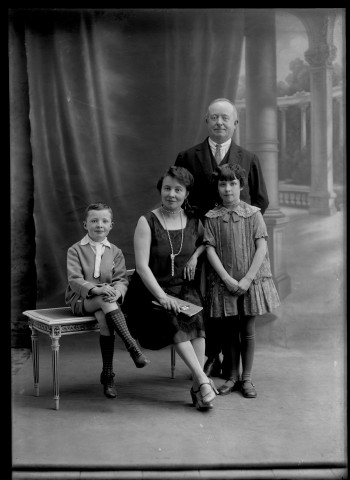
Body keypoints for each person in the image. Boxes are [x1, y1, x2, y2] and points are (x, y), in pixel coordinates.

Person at [175, 97, 270, 378]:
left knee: (235, 308)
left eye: (225, 118)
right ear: (206, 121)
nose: (219, 122)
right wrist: (203, 232)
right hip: (199, 243)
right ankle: (211, 356)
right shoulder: (188, 157)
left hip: (238, 247)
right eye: (214, 117)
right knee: (207, 299)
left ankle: (233, 369)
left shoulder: (249, 159)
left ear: (235, 123)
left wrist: (238, 227)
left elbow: (260, 201)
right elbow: (180, 198)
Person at [123, 166, 218, 411]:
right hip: (148, 292)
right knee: (174, 318)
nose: (171, 194)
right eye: (167, 188)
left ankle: (199, 386)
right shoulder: (147, 222)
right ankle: (204, 381)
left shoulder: (194, 221)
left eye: (178, 190)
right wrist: (162, 296)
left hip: (181, 288)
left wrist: (196, 255)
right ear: (160, 190)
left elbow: (207, 243)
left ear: (187, 194)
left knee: (196, 316)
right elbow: (142, 267)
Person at [203, 163, 280, 398]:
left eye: (233, 183)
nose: (228, 189)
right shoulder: (212, 217)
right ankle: (232, 376)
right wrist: (226, 278)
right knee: (229, 330)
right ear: (217, 187)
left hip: (250, 282)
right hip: (225, 283)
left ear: (241, 186)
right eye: (223, 184)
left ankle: (246, 378)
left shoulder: (253, 214)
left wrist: (247, 279)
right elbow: (209, 249)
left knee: (247, 329)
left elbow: (261, 247)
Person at [65, 202, 150, 399]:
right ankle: (132, 346)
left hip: (107, 302)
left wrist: (118, 293)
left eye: (104, 221)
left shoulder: (115, 251)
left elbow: (121, 279)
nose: (99, 225)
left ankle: (108, 375)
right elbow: (75, 280)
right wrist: (96, 289)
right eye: (94, 220)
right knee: (104, 299)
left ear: (111, 225)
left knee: (104, 320)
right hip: (81, 300)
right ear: (85, 224)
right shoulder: (75, 250)